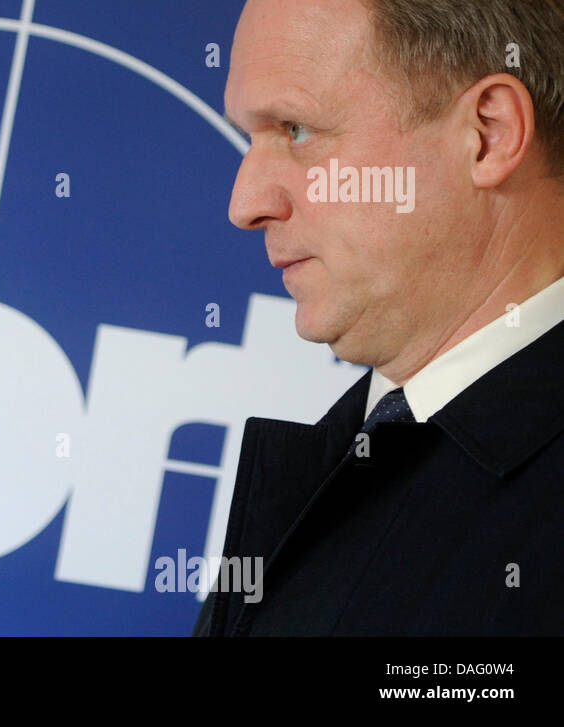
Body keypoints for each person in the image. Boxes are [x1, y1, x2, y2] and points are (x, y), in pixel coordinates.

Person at [193, 0, 564, 635]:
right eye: (250, 139)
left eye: (296, 130)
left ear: (488, 134)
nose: (245, 204)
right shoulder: (353, 453)